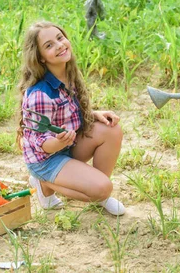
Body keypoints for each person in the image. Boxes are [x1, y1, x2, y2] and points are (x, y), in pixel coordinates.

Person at [17, 21, 125, 216]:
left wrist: (93, 115)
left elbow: (67, 114)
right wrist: (57, 143)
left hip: (66, 145)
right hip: (45, 158)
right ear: (40, 58)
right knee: (103, 188)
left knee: (111, 129)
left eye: (60, 38)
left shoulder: (68, 74)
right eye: (49, 45)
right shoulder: (40, 95)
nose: (59, 45)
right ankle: (43, 182)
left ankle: (96, 192)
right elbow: (38, 142)